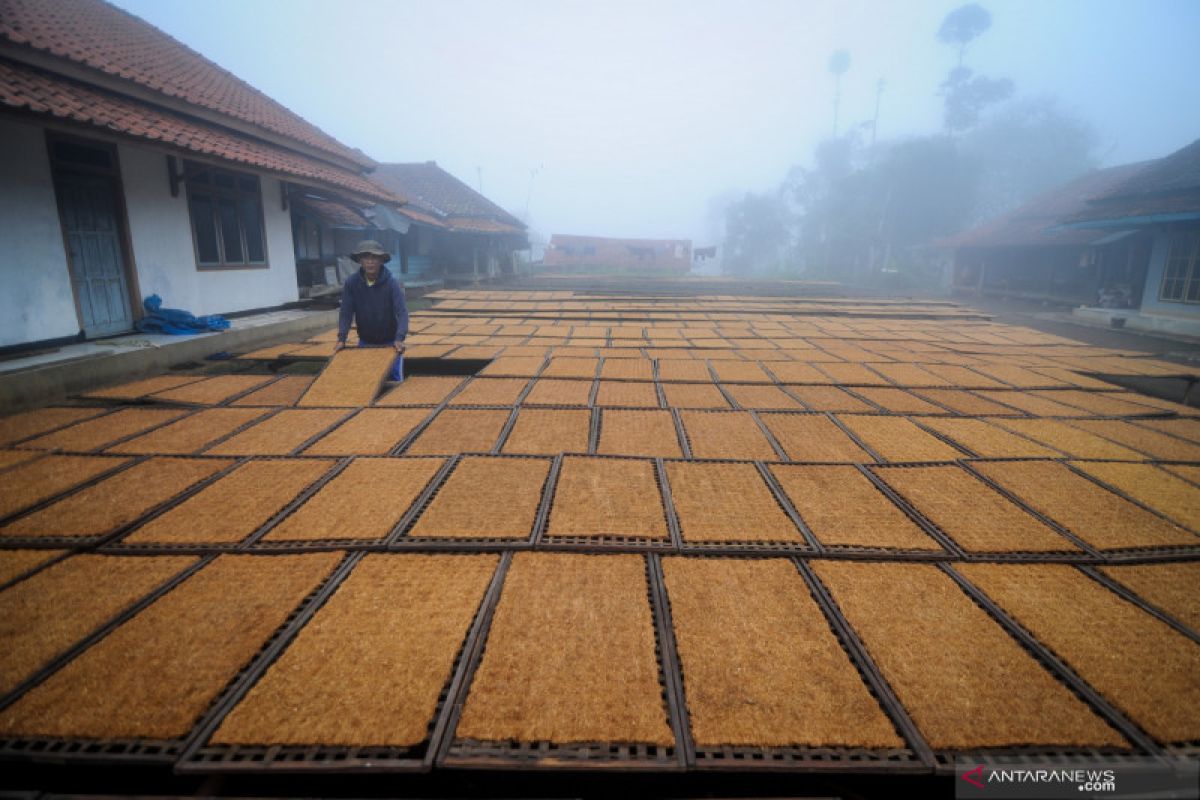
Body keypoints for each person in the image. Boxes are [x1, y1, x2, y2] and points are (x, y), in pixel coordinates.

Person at [334, 240, 407, 381]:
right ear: (360, 260)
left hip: (391, 342)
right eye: (366, 257)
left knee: (395, 379)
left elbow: (402, 312)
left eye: (375, 257)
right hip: (366, 341)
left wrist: (400, 337)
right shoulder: (352, 283)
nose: (370, 262)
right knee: (366, 380)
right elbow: (346, 312)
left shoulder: (392, 283)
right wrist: (342, 338)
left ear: (381, 260)